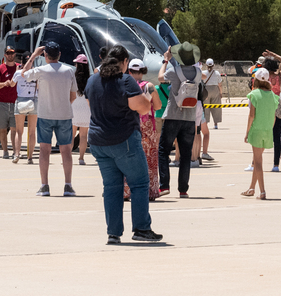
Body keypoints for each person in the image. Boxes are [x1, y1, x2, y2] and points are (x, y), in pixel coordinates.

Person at [85, 44, 162, 244]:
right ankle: (141, 228)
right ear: (125, 62)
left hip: (99, 142)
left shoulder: (92, 81)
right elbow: (144, 108)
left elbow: (90, 106)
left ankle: (113, 233)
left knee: (111, 187)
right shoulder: (125, 81)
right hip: (124, 139)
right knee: (139, 183)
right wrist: (147, 93)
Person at [18, 42, 77, 196]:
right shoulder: (69, 71)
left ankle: (44, 185)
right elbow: (73, 95)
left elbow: (23, 74)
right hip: (64, 115)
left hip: (45, 114)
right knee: (66, 150)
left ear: (45, 56)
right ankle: (68, 185)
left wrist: (33, 56)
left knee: (45, 150)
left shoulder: (41, 70)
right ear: (59, 55)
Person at [159, 41, 201, 197]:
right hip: (190, 118)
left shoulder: (173, 71)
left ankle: (164, 186)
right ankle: (183, 189)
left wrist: (165, 60)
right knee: (185, 154)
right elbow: (202, 76)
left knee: (163, 151)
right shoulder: (198, 74)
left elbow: (160, 78)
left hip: (172, 115)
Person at [122, 55, 163, 202]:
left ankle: (127, 190)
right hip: (147, 127)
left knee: (129, 158)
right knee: (150, 159)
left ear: (130, 71)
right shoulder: (149, 86)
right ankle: (150, 190)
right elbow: (158, 106)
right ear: (143, 71)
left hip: (129, 125)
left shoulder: (125, 85)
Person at [242, 67, 278, 199]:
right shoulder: (273, 96)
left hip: (256, 130)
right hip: (268, 130)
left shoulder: (254, 95)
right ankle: (251, 188)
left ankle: (262, 191)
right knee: (257, 159)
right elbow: (274, 116)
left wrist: (247, 132)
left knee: (257, 162)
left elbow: (251, 116)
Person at [0, 46, 20, 160]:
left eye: (12, 53)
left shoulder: (18, 68)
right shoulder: (0, 69)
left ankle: (14, 151)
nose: (10, 55)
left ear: (15, 54)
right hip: (1, 102)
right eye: (8, 53)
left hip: (15, 102)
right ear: (5, 55)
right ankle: (5, 151)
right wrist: (4, 83)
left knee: (14, 129)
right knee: (2, 128)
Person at [12, 51, 40, 165]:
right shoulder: (36, 73)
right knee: (32, 131)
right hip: (33, 101)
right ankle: (30, 157)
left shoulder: (18, 73)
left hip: (21, 100)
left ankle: (17, 154)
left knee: (19, 131)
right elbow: (39, 87)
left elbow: (12, 84)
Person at [72, 55, 92, 165]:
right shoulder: (90, 79)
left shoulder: (73, 77)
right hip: (86, 108)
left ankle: (67, 157)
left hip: (75, 106)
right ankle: (81, 158)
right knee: (83, 135)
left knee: (72, 133)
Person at [202, 59, 225, 129]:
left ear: (206, 65)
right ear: (213, 65)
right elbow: (220, 84)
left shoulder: (203, 73)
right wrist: (220, 93)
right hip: (215, 90)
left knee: (206, 107)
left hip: (206, 90)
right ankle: (216, 124)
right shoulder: (217, 73)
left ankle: (205, 123)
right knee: (216, 107)